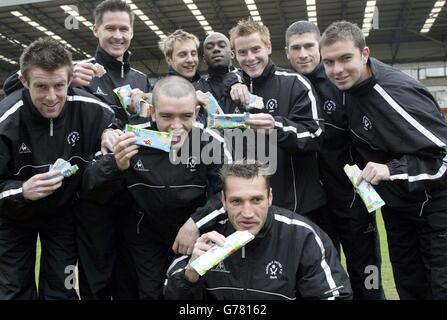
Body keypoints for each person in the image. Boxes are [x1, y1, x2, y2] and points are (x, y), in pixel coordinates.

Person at [319, 20, 447, 299]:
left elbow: (443, 158)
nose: (337, 70)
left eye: (345, 58)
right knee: (409, 288)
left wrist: (392, 170)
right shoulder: (348, 93)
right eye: (329, 62)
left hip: (435, 214)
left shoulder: (395, 92)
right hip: (398, 212)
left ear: (365, 54)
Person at [82, 75, 231, 299]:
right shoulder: (130, 136)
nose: (177, 126)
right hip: (145, 234)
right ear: (152, 112)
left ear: (197, 113)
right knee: (151, 293)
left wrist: (195, 223)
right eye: (167, 116)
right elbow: (90, 185)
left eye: (186, 116)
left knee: (188, 291)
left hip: (194, 232)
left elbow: (228, 193)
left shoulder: (211, 142)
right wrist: (116, 164)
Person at [0, 37, 114, 299]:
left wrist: (111, 130)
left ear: (70, 79)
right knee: (13, 290)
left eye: (59, 86)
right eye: (41, 87)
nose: (51, 97)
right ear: (24, 81)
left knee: (62, 290)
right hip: (13, 217)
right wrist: (21, 192)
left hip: (63, 215)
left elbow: (115, 121)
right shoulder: (5, 120)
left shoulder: (91, 109)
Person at [284, 20, 384, 300]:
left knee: (366, 269)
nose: (303, 54)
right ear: (286, 52)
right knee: (322, 272)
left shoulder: (341, 83)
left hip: (350, 197)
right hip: (312, 204)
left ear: (319, 47)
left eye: (308, 46)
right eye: (296, 48)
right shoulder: (287, 87)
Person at [164, 162, 352, 300]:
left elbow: (334, 296)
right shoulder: (205, 235)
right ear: (223, 200)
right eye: (236, 201)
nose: (247, 213)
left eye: (256, 200)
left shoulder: (303, 236)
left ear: (270, 197)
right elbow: (171, 296)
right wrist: (190, 275)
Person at [225, 18, 326, 221]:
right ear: (235, 55)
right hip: (249, 209)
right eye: (243, 52)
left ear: (268, 47)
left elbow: (315, 136)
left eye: (256, 49)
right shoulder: (229, 89)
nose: (250, 58)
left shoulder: (295, 83)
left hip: (296, 206)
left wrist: (276, 126)